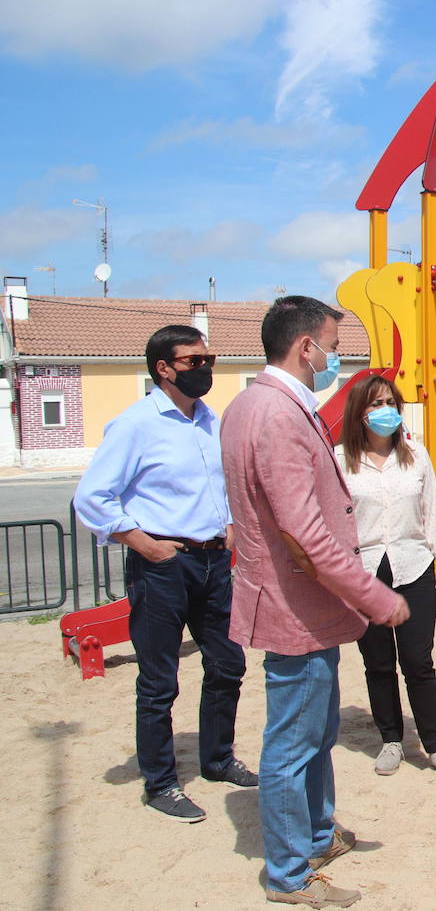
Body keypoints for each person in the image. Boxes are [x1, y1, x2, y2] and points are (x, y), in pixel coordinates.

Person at [221, 295, 408, 908]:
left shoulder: (255, 403)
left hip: (300, 605)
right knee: (294, 742)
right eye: (332, 343)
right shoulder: (274, 413)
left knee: (316, 731)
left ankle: (317, 833)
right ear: (307, 347)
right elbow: (303, 535)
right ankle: (289, 872)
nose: (336, 356)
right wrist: (375, 597)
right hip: (294, 608)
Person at [75, 324, 255, 823]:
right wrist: (143, 544)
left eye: (208, 359)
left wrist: (232, 525)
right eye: (193, 361)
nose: (205, 369)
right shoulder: (134, 424)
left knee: (227, 664)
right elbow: (92, 497)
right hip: (163, 567)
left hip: (215, 561)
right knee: (159, 680)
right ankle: (160, 783)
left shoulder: (209, 421)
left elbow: (222, 485)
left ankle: (217, 759)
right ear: (164, 368)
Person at [336, 375, 436, 783]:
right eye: (375, 404)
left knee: (418, 661)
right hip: (365, 573)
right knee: (378, 663)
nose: (384, 410)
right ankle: (391, 738)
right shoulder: (341, 461)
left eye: (390, 402)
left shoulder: (414, 455)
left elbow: (430, 509)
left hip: (413, 565)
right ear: (359, 412)